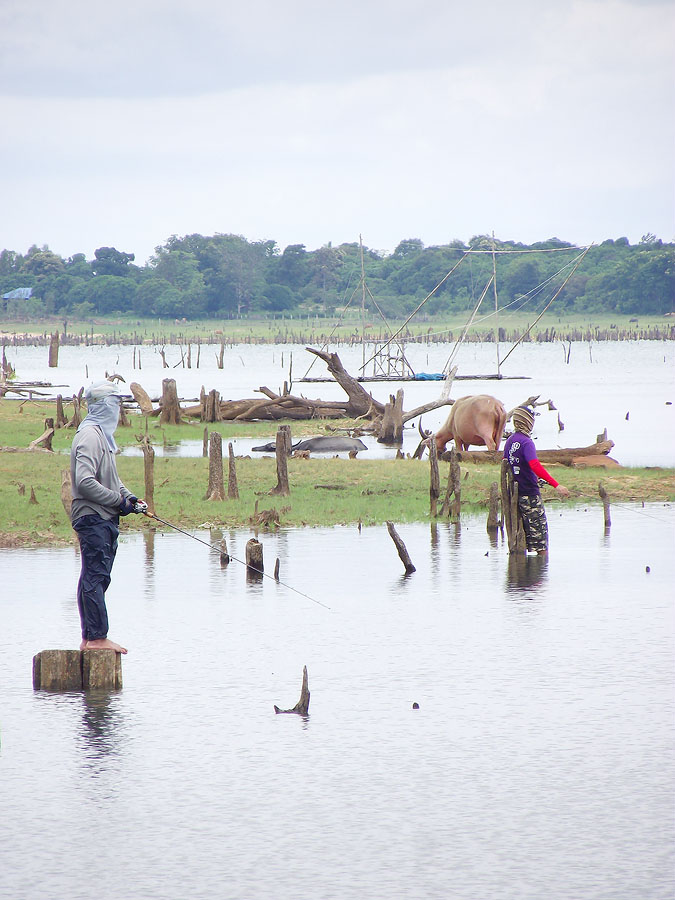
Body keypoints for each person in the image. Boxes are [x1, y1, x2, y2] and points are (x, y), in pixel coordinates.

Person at [70, 381, 146, 653]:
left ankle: (90, 638)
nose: (118, 410)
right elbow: (84, 481)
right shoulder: (90, 435)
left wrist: (131, 498)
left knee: (94, 576)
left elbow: (112, 480)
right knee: (96, 576)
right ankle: (97, 638)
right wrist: (118, 501)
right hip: (92, 517)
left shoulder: (102, 436)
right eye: (115, 404)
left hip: (102, 516)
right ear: (103, 405)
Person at [503, 406, 570, 555]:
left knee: (524, 537)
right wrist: (556, 485)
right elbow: (534, 465)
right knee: (541, 542)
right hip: (530, 495)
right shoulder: (527, 443)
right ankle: (540, 575)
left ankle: (523, 574)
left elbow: (511, 465)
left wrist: (536, 479)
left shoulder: (510, 441)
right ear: (527, 421)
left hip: (516, 494)